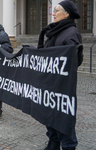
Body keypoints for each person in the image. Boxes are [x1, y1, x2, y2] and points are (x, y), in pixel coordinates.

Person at [37, 1, 83, 150]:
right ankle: (53, 142)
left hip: (62, 86)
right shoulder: (54, 32)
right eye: (54, 10)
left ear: (67, 14)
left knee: (63, 119)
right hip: (49, 84)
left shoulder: (71, 33)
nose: (53, 13)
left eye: (57, 10)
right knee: (50, 115)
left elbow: (75, 60)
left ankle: (68, 146)